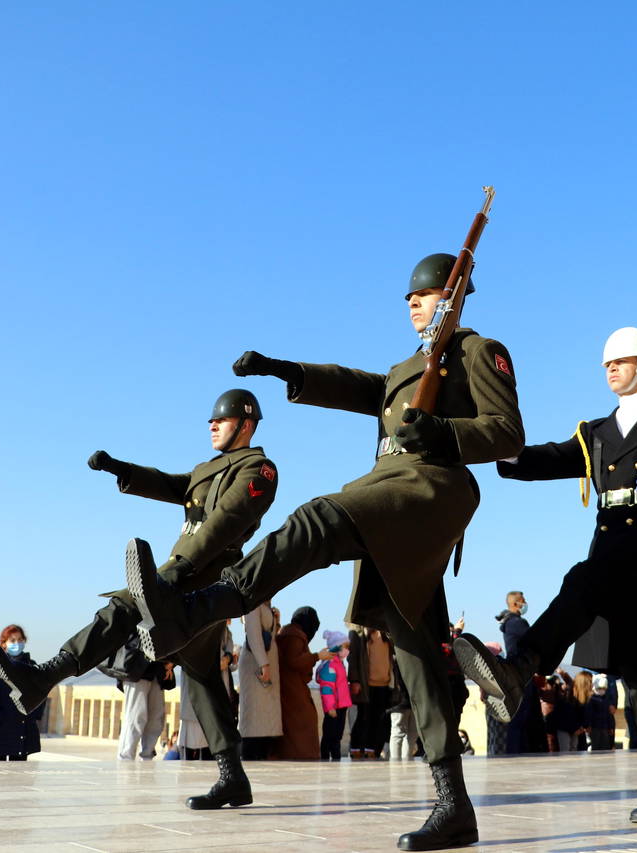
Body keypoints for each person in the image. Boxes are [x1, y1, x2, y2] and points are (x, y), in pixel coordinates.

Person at [126, 251, 523, 851]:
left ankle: (202, 606)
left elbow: (507, 431)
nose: (412, 303)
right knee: (414, 649)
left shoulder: (477, 351)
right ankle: (454, 805)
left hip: (427, 492)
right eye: (409, 297)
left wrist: (443, 432)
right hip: (391, 502)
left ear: (456, 293)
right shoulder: (405, 368)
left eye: (424, 293)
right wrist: (286, 370)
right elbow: (356, 384)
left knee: (317, 518)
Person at [455, 324, 637, 822]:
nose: (612, 370)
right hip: (611, 543)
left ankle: (523, 666)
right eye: (606, 364)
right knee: (629, 661)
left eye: (621, 361)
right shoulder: (596, 433)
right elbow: (550, 459)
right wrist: (504, 445)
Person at [0, 389, 276, 808]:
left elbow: (227, 523)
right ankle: (233, 776)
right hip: (185, 576)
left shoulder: (259, 469)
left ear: (246, 425)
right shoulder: (207, 469)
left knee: (124, 607)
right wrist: (121, 470)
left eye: (222, 420)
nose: (212, 425)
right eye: (211, 420)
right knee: (203, 679)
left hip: (205, 580)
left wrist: (176, 571)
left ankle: (44, 676)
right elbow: (171, 483)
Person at [272, 607, 332, 760]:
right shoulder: (294, 635)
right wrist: (317, 656)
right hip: (292, 691)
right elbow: (294, 660)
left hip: (291, 689)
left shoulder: (291, 633)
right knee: (302, 724)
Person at [0, 624, 45, 761]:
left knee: (19, 776)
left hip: (22, 728)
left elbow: (40, 692)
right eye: (12, 640)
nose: (17, 644)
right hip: (0, 728)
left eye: (20, 640)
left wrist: (33, 716)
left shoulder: (31, 665)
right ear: (3, 644)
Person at [238, 601, 282, 760]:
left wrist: (276, 621)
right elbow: (253, 634)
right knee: (254, 715)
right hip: (255, 665)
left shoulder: (266, 606)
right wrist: (264, 663)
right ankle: (251, 755)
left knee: (265, 716)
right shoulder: (253, 604)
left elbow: (268, 637)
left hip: (265, 663)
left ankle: (262, 754)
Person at [349, 626, 394, 760]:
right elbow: (353, 657)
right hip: (365, 684)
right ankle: (356, 748)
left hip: (385, 684)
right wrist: (355, 680)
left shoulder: (387, 633)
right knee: (363, 718)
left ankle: (372, 749)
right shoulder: (359, 633)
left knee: (378, 719)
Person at [119, 653, 175, 761]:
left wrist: (171, 664)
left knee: (155, 719)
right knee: (135, 717)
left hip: (158, 670)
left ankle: (147, 757)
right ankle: (125, 759)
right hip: (136, 668)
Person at [316, 631, 351, 761]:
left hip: (341, 706)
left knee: (337, 736)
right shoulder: (330, 665)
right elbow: (327, 688)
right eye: (345, 647)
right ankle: (327, 758)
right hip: (333, 708)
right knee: (330, 735)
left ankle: (335, 758)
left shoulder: (339, 664)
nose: (347, 650)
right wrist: (330, 707)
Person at [497, 592, 529, 659]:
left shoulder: (508, 622)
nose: (525, 603)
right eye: (523, 601)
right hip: (522, 663)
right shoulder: (517, 622)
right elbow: (534, 640)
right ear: (515, 604)